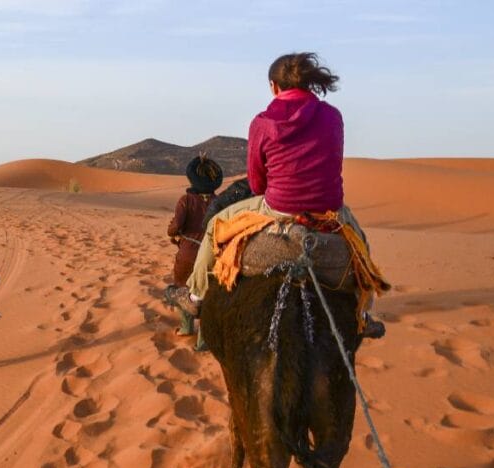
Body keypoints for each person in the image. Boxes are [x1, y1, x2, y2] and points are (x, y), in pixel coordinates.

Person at [171, 52, 385, 338]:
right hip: (328, 210)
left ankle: (195, 297)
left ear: (274, 86)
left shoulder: (262, 122)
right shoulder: (333, 116)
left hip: (278, 207)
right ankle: (362, 314)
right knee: (360, 244)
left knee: (213, 228)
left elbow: (258, 183)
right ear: (309, 83)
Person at [165, 155, 222, 338]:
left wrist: (172, 230)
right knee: (208, 292)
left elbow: (175, 227)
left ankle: (186, 327)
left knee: (183, 289)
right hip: (213, 254)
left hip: (188, 253)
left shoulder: (185, 200)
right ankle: (203, 339)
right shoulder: (219, 201)